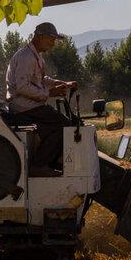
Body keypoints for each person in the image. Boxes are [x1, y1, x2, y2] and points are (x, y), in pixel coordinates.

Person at [5, 21, 77, 176]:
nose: (53, 43)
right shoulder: (26, 57)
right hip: (22, 106)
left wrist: (62, 83)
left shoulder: (35, 56)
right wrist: (49, 94)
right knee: (64, 125)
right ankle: (39, 165)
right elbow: (22, 87)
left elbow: (40, 80)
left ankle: (49, 162)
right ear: (40, 37)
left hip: (29, 105)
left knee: (59, 125)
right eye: (51, 39)